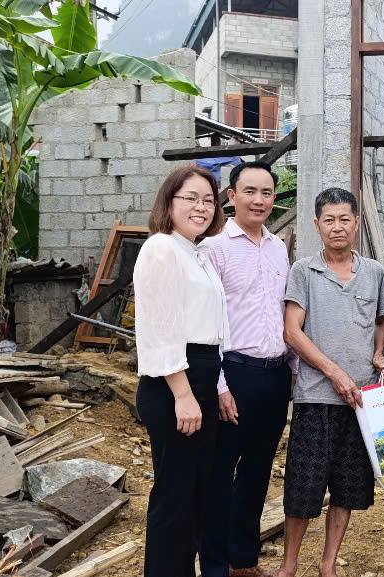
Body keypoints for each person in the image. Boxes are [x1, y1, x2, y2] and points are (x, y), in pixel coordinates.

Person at [277, 187, 384, 577]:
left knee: (347, 486)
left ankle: (328, 564)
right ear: (317, 225)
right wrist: (333, 371)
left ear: (356, 223)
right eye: (329, 220)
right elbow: (292, 331)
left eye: (345, 219)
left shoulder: (375, 272)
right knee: (302, 487)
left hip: (361, 400)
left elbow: (383, 321)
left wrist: (380, 351)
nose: (337, 227)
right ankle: (289, 564)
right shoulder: (303, 271)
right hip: (315, 397)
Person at [133, 164, 227, 577]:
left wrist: (214, 386)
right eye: (190, 198)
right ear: (168, 202)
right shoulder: (161, 248)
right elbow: (160, 326)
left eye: (208, 200)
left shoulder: (196, 252)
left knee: (194, 495)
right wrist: (183, 394)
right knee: (174, 499)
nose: (201, 207)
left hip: (201, 374)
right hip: (175, 381)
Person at [200, 161, 293, 577]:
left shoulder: (278, 248)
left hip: (274, 375)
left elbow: (283, 314)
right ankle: (215, 564)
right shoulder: (214, 249)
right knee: (220, 473)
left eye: (266, 193)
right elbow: (207, 324)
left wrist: (291, 372)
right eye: (250, 191)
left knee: (257, 470)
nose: (259, 200)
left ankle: (244, 561)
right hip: (233, 374)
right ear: (232, 196)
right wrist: (219, 385)